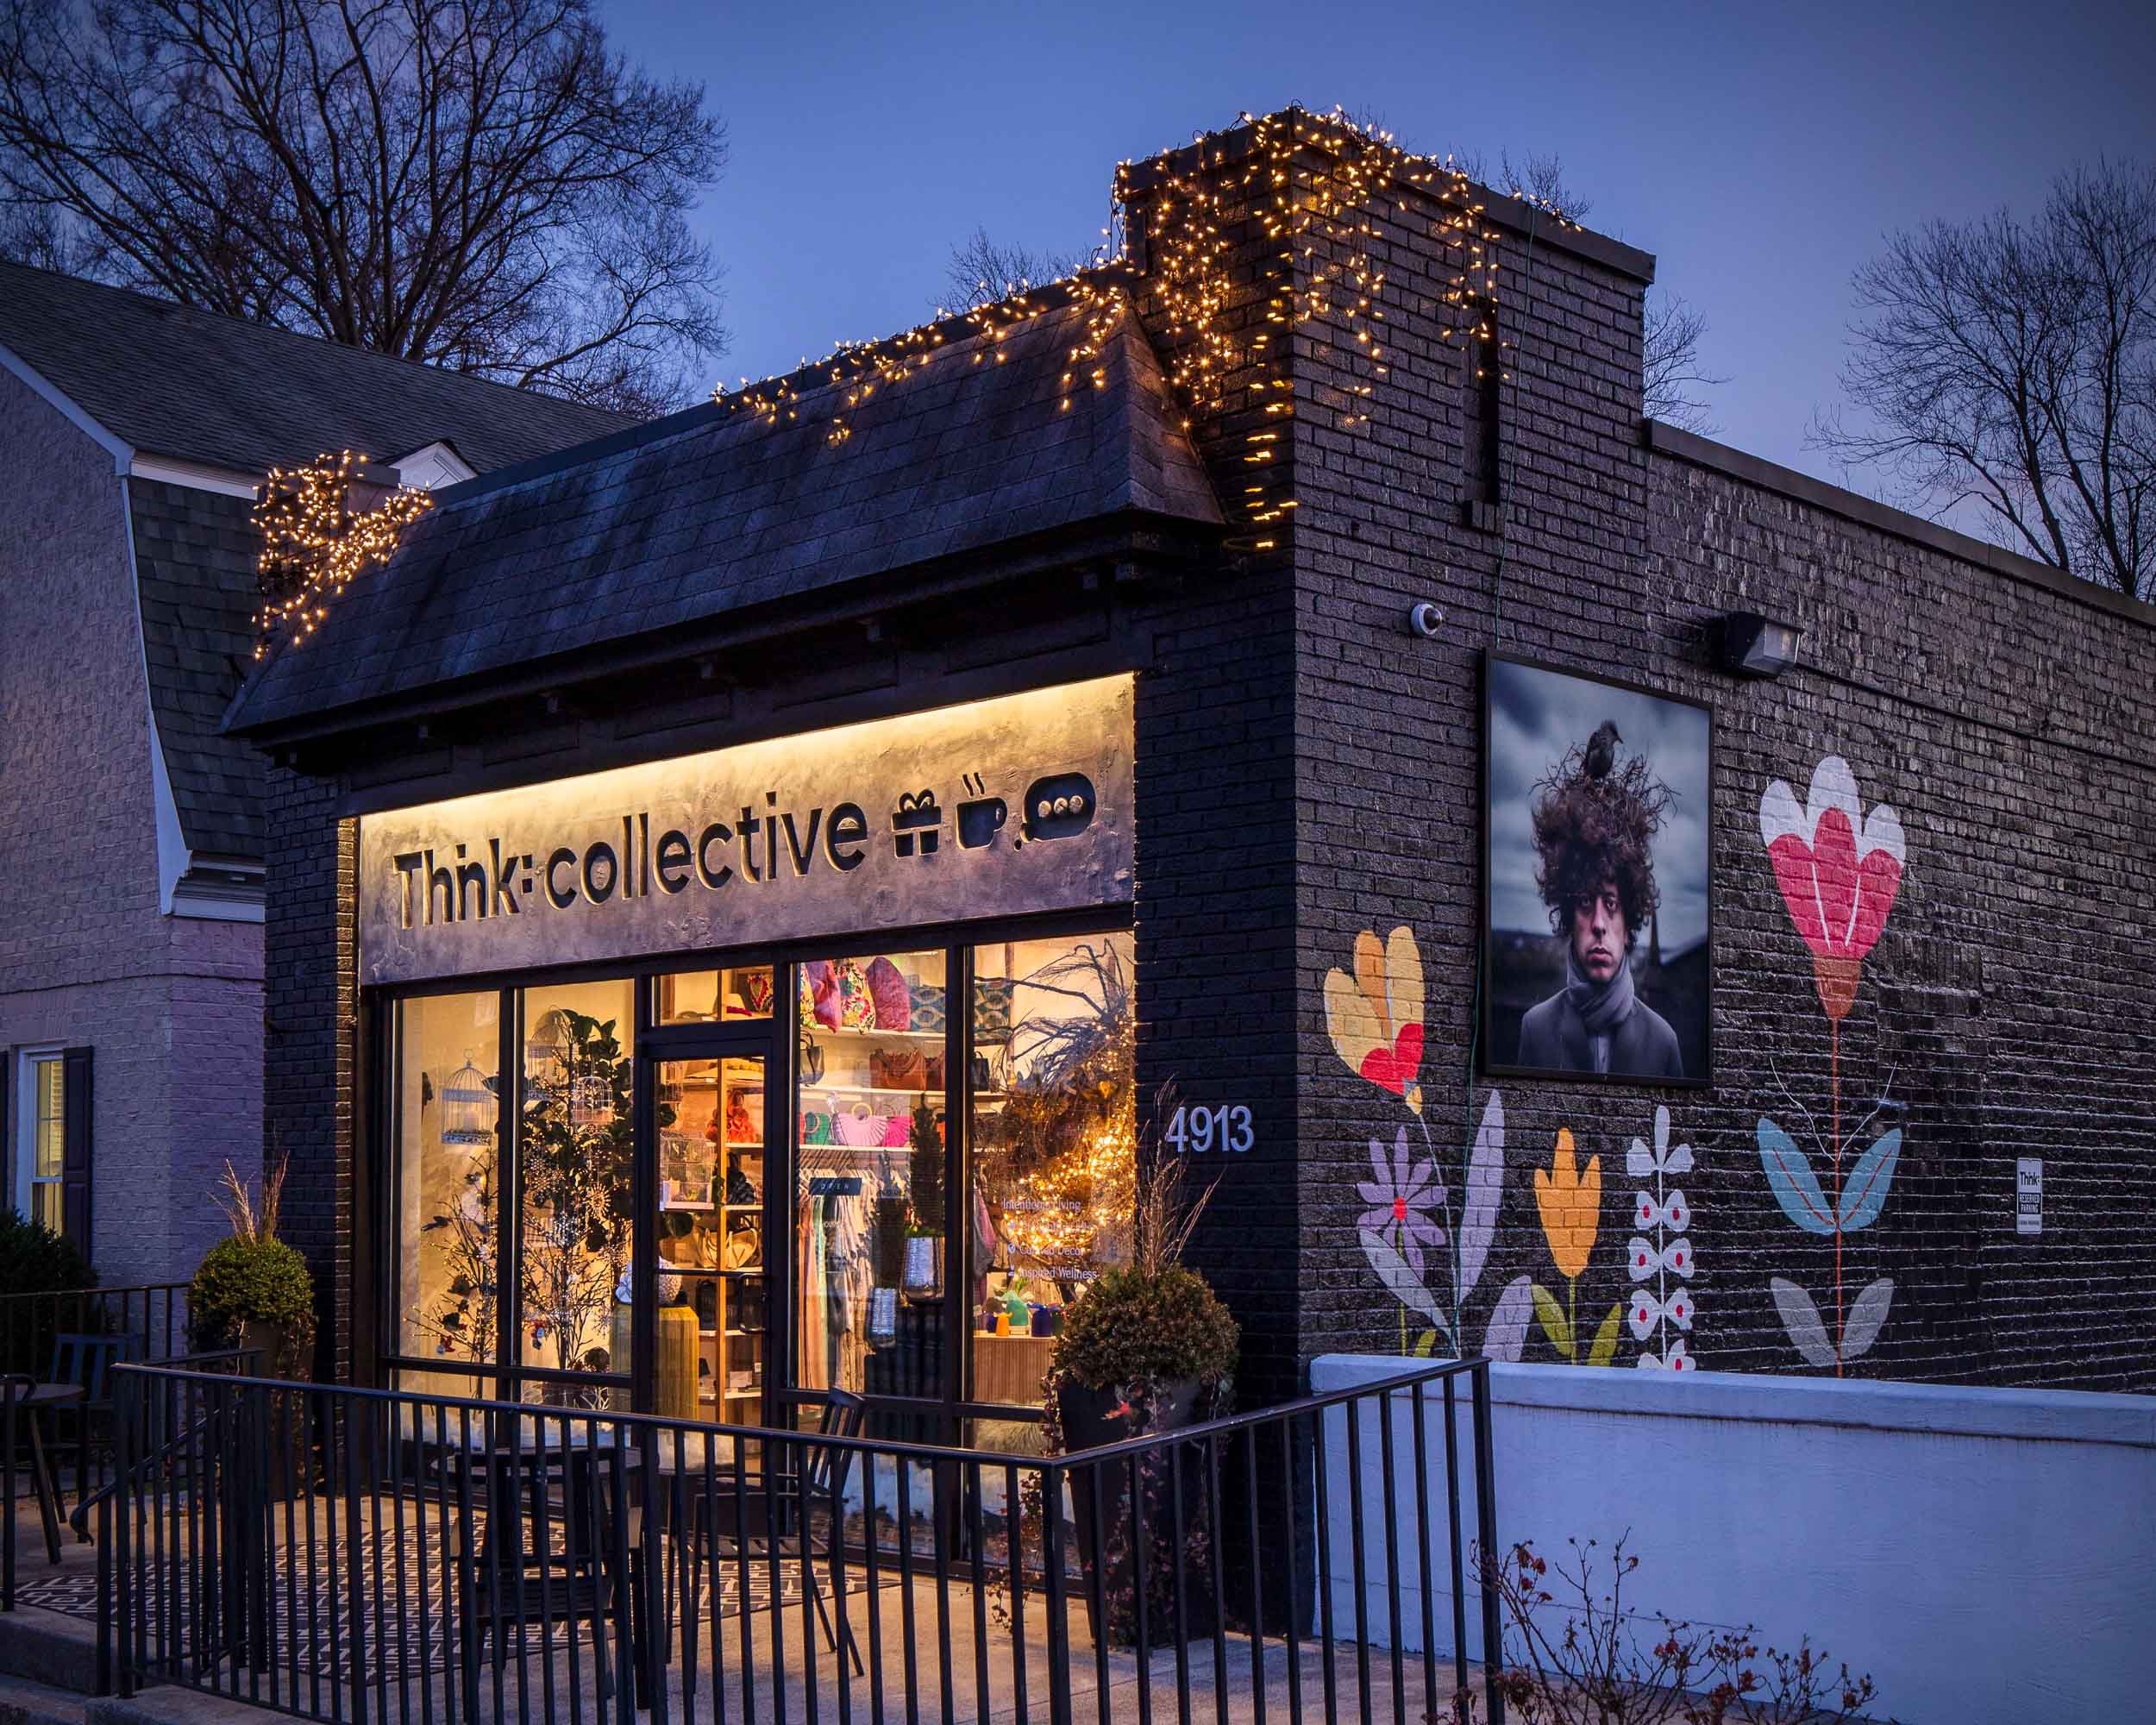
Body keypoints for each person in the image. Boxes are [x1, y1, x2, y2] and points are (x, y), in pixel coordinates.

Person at [1514, 730, 1683, 1079]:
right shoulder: (1534, 1030)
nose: (1598, 923)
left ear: (1630, 920)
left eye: (1611, 903)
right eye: (1584, 903)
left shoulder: (1664, 1043)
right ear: (1565, 914)